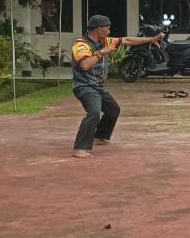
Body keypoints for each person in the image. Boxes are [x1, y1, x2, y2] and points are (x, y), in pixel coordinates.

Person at [70, 15, 163, 158]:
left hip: (98, 86)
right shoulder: (81, 45)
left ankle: (99, 136)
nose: (109, 30)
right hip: (85, 86)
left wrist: (150, 40)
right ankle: (80, 148)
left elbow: (127, 40)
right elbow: (84, 65)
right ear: (97, 29)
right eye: (106, 27)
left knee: (113, 109)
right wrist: (101, 53)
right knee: (94, 112)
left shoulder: (105, 41)